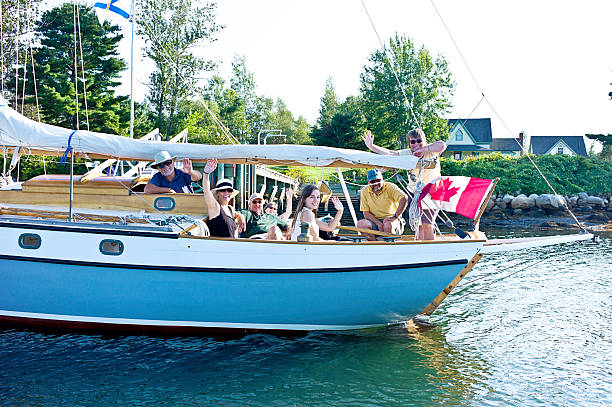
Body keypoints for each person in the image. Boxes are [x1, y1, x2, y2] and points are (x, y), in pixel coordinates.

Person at [362, 128, 447, 240]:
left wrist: (423, 149)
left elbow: (442, 145)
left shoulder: (432, 150)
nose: (416, 144)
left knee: (427, 223)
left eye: (419, 141)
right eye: (413, 142)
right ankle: (419, 248)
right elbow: (390, 153)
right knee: (418, 224)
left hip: (432, 191)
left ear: (424, 141)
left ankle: (429, 249)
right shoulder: (407, 153)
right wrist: (372, 146)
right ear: (409, 144)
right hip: (414, 192)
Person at [356, 169, 408, 241]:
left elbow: (404, 199)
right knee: (361, 224)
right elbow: (366, 213)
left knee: (388, 225)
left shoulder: (391, 187)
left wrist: (395, 216)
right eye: (372, 181)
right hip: (374, 221)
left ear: (382, 179)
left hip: (392, 220)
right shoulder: (364, 191)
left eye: (378, 180)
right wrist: (378, 224)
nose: (376, 183)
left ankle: (390, 247)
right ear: (368, 182)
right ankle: (374, 246)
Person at [201, 158, 245, 238]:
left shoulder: (230, 209)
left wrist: (240, 216)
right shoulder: (215, 207)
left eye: (229, 190)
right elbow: (206, 191)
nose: (226, 193)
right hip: (219, 248)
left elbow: (235, 214)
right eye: (222, 190)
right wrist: (206, 173)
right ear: (217, 193)